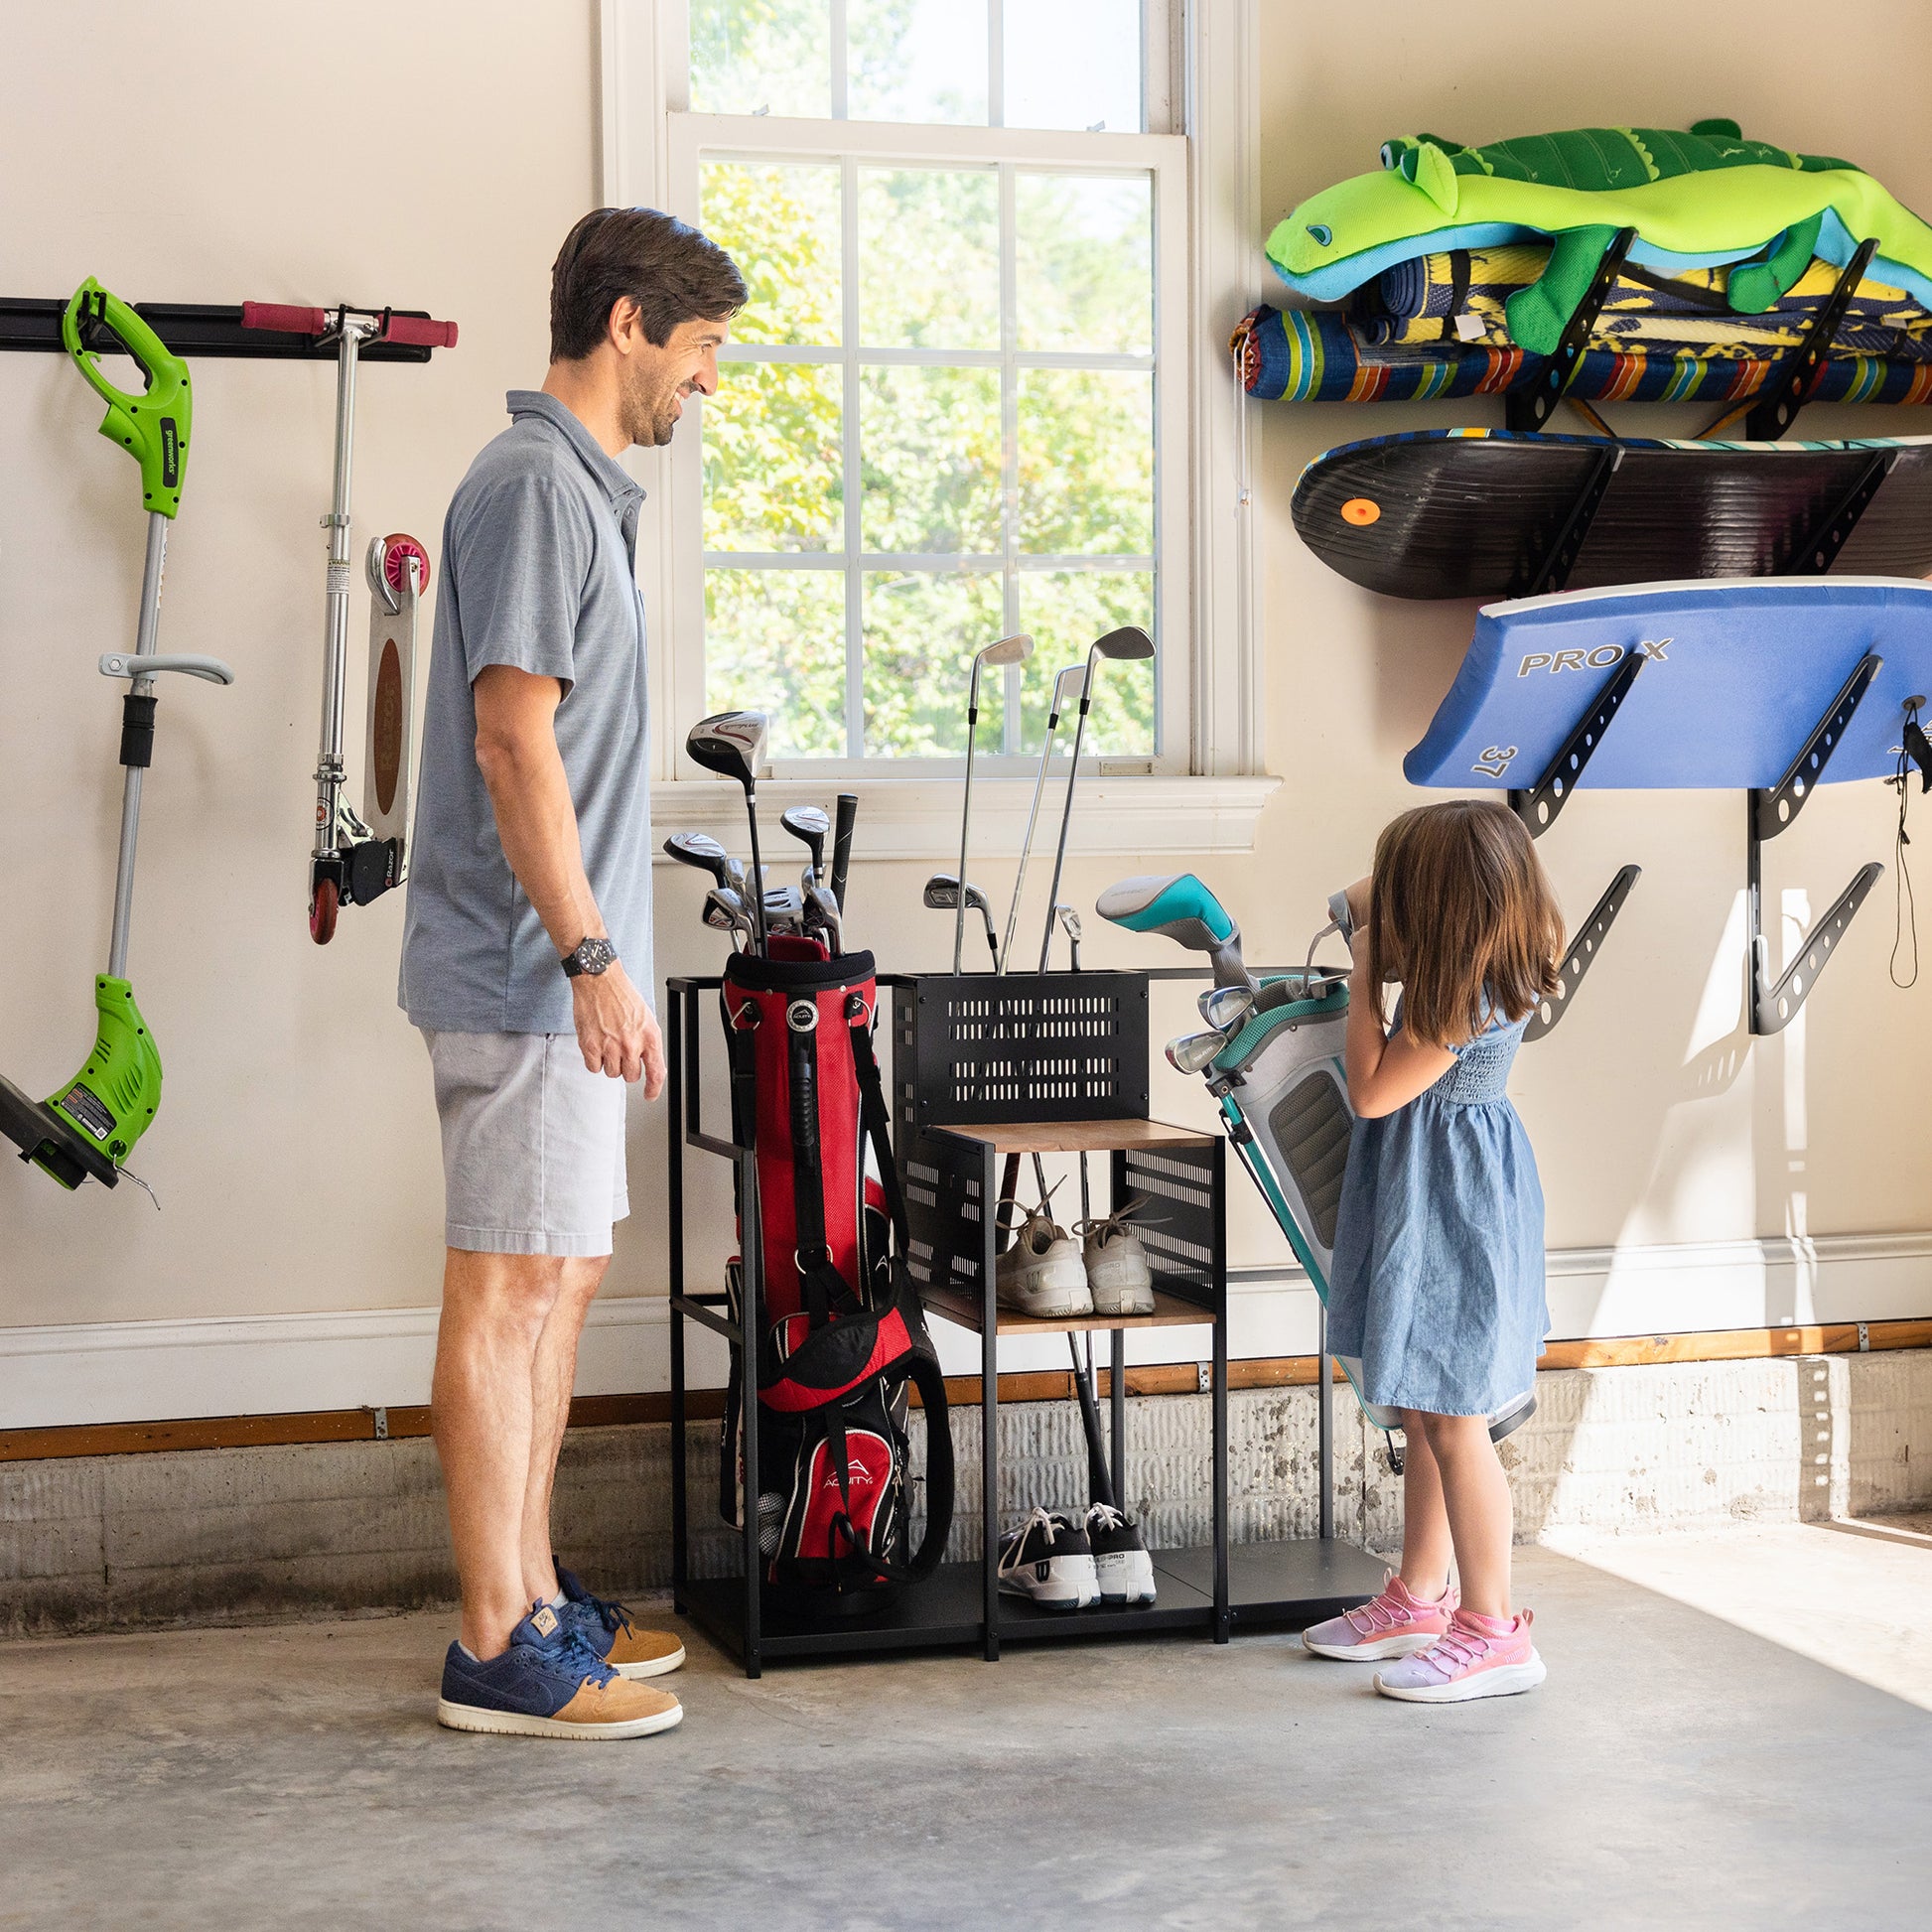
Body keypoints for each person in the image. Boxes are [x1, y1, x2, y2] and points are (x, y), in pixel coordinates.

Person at [400, 207, 746, 1740]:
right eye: (701, 348)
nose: (707, 380)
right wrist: (591, 953)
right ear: (626, 326)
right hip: (529, 971)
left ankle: (535, 1598)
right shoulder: (538, 485)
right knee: (508, 1282)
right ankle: (496, 1643)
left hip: (559, 973)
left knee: (563, 1273)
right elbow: (508, 734)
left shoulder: (575, 492)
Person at [1300, 799, 1563, 1704]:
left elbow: (1372, 1093)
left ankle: (1494, 1629)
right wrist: (1373, 895)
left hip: (1453, 1206)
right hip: (1427, 1189)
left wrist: (1368, 958)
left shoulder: (1463, 996)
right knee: (1419, 1406)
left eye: (1413, 895)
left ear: (1445, 909)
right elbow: (1359, 894)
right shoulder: (1478, 954)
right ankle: (1420, 1595)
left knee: (1454, 1418)